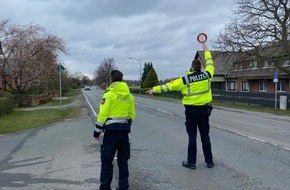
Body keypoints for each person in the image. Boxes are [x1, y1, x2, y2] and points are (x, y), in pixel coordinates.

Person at [146, 43, 215, 169]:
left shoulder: (185, 79)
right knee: (205, 136)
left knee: (192, 136)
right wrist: (206, 51)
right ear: (201, 67)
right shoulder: (208, 75)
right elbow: (210, 64)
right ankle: (209, 161)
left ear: (191, 68)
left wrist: (154, 90)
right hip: (205, 110)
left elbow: (169, 86)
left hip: (191, 111)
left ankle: (191, 162)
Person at [94, 69, 136, 190]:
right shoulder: (129, 96)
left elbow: (102, 115)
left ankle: (105, 187)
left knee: (107, 161)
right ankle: (124, 186)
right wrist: (127, 125)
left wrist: (97, 131)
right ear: (122, 79)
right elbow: (132, 114)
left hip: (110, 134)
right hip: (124, 132)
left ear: (111, 80)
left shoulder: (108, 95)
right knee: (123, 161)